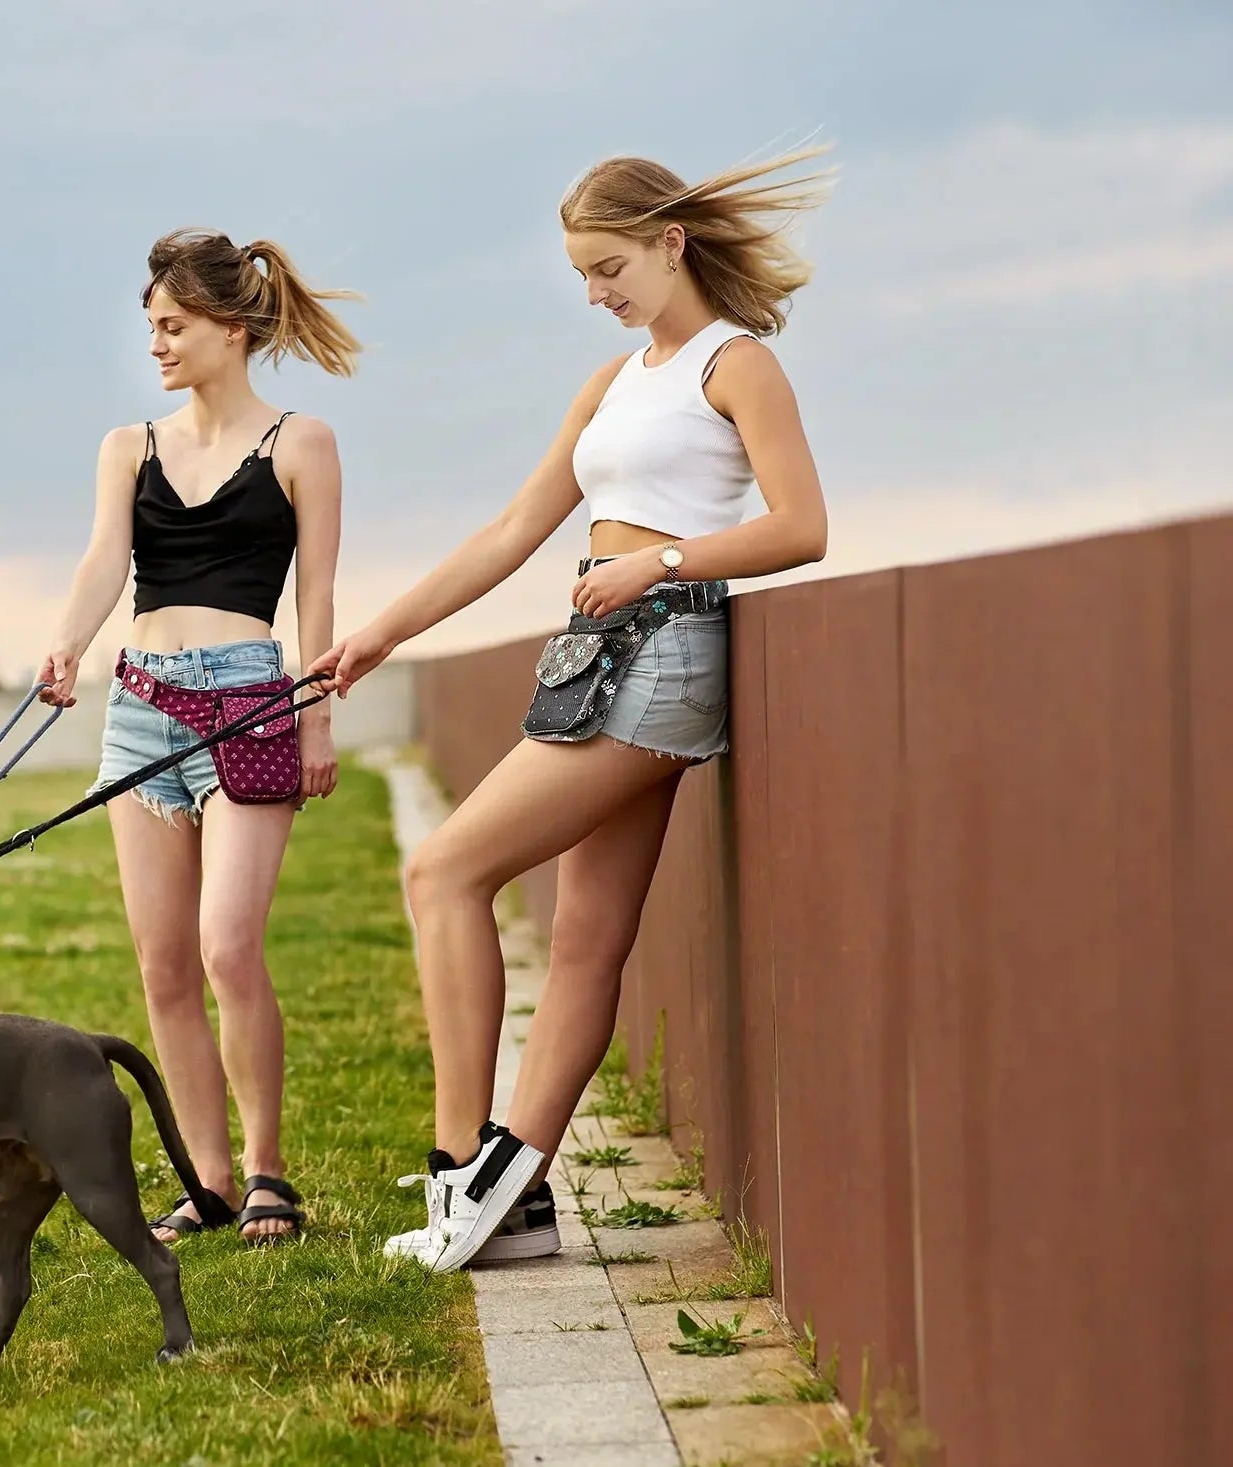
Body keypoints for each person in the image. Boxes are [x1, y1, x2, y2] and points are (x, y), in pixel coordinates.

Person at [312, 149, 833, 1271]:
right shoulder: (609, 383)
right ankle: (518, 1203)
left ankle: (466, 1171)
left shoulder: (735, 366)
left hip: (664, 646)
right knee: (589, 941)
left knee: (443, 870)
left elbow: (802, 527)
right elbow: (512, 532)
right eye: (582, 277)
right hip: (594, 655)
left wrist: (662, 563)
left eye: (608, 268)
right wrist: (382, 632)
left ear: (668, 242)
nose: (596, 293)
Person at [38, 228, 358, 1245]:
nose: (158, 346)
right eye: (151, 330)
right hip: (140, 709)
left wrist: (315, 717)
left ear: (230, 327)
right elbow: (104, 561)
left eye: (174, 328)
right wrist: (66, 644)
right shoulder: (127, 446)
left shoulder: (301, 444)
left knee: (228, 947)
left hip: (251, 702)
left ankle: (268, 1173)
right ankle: (209, 1180)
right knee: (165, 964)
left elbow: (318, 599)